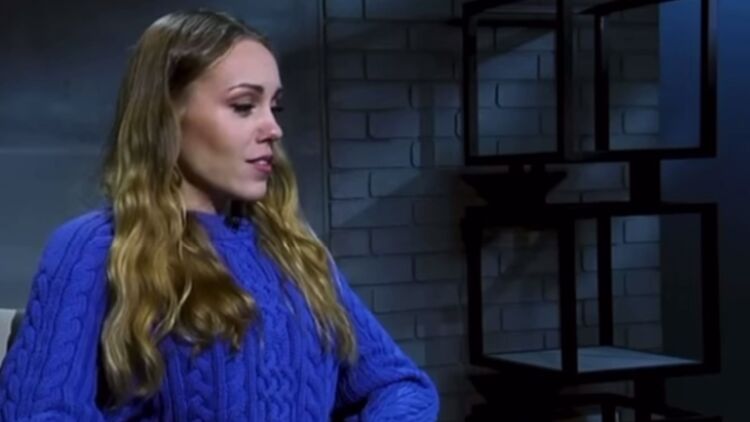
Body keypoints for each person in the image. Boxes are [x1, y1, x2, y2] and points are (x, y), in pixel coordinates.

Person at [0, 9, 439, 421]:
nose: (273, 128)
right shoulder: (94, 247)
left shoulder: (293, 248)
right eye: (244, 106)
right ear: (167, 117)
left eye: (275, 107)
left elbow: (402, 386)